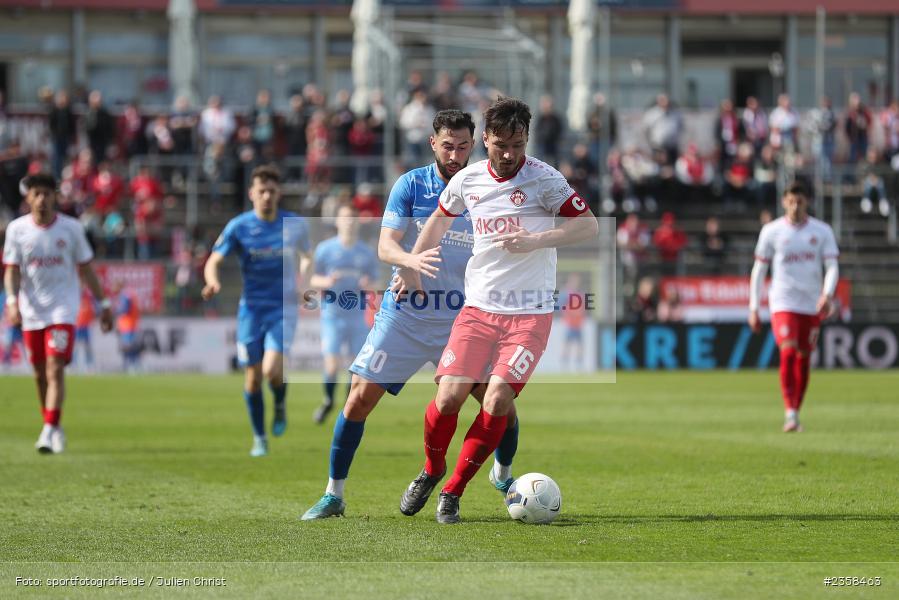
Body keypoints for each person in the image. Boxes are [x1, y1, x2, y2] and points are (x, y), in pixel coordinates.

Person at [301, 110, 522, 520]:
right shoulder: (410, 185)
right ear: (432, 143)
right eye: (447, 146)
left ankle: (505, 478)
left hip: (462, 320)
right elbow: (386, 246)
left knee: (500, 405)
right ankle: (334, 495)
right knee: (357, 401)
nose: (454, 155)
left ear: (473, 145)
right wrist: (410, 262)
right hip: (405, 314)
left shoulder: (488, 190)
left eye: (462, 146)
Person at [398, 97, 598, 524]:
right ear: (485, 139)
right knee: (449, 395)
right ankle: (432, 470)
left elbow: (589, 224)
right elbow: (438, 219)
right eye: (501, 145)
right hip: (478, 309)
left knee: (496, 400)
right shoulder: (468, 180)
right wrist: (412, 263)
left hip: (530, 314)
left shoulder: (545, 179)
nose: (509, 155)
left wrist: (537, 240)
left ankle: (453, 491)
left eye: (518, 145)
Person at [202, 165, 312, 457]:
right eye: (261, 191)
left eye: (271, 191)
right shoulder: (239, 226)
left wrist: (305, 281)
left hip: (284, 308)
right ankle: (259, 437)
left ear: (279, 194)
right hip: (251, 309)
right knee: (252, 378)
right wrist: (212, 282)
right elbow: (213, 260)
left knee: (272, 370)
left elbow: (307, 257)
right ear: (252, 193)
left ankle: (278, 402)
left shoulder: (294, 224)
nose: (266, 196)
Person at [3, 173, 113, 453]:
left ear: (55, 197)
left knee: (54, 368)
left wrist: (104, 304)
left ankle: (48, 430)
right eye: (36, 194)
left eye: (47, 194)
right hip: (31, 312)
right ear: (28, 198)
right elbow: (12, 271)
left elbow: (86, 269)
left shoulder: (72, 229)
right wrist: (13, 302)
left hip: (63, 310)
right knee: (39, 374)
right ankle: (54, 425)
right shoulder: (17, 230)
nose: (42, 199)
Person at [749, 183, 839, 433]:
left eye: (799, 201)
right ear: (784, 202)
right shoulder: (771, 231)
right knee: (787, 353)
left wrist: (827, 294)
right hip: (783, 301)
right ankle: (789, 411)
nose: (795, 206)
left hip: (812, 304)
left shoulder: (821, 231)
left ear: (806, 202)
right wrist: (754, 307)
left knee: (804, 358)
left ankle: (795, 412)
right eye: (791, 201)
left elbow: (831, 266)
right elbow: (759, 271)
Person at [310, 204, 379, 424]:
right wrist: (327, 282)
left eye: (352, 218)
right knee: (332, 365)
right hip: (332, 315)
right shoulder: (325, 249)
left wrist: (369, 284)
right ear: (337, 221)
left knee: (356, 368)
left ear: (357, 222)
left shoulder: (365, 252)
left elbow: (377, 281)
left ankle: (348, 409)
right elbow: (312, 279)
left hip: (357, 316)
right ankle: (328, 401)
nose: (349, 221)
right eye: (345, 217)